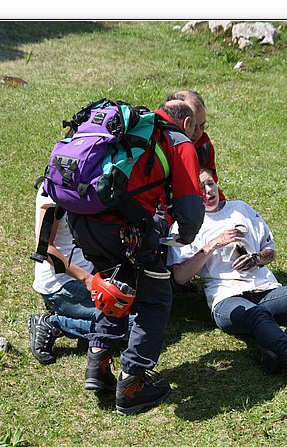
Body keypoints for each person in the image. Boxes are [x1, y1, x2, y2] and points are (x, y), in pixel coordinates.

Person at [67, 99, 204, 414]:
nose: (197, 133)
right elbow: (189, 210)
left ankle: (98, 363)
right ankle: (132, 383)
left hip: (83, 220)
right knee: (156, 299)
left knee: (116, 287)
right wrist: (185, 235)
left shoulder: (127, 129)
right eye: (197, 127)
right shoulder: (178, 142)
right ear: (186, 123)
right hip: (125, 229)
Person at [167, 169, 287, 378]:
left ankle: (275, 351)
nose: (208, 191)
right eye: (200, 188)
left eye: (210, 184)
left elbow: (270, 251)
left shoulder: (240, 209)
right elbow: (180, 277)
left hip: (265, 291)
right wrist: (213, 245)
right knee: (257, 314)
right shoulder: (184, 227)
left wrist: (257, 258)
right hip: (227, 299)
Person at [28, 184, 98, 365]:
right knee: (132, 325)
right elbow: (45, 249)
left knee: (142, 310)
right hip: (63, 284)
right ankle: (54, 324)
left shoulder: (92, 180)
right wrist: (87, 279)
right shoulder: (53, 192)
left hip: (92, 271)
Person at [165, 89, 225, 202]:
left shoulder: (204, 146)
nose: (198, 133)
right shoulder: (159, 146)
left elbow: (212, 186)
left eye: (202, 126)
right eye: (192, 125)